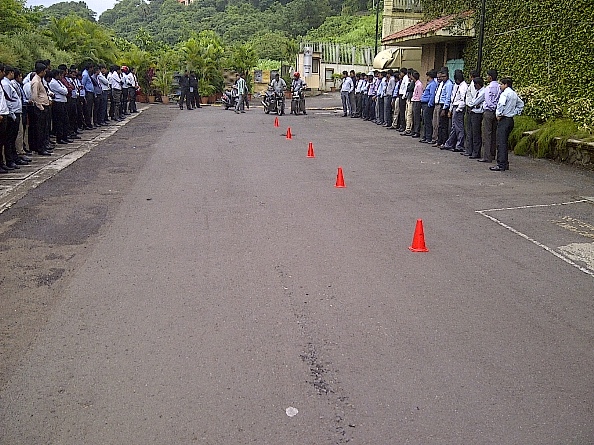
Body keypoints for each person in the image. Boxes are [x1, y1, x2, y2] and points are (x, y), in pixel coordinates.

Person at [491, 77, 524, 171]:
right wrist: (515, 112)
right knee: (504, 142)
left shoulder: (505, 94)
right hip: (510, 119)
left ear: (506, 85)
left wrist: (499, 114)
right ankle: (505, 163)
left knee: (501, 143)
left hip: (504, 119)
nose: (500, 86)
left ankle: (500, 164)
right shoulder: (514, 93)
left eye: (501, 84)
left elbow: (501, 104)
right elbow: (521, 104)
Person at [479, 69, 501, 163]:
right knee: (494, 134)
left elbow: (487, 100)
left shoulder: (488, 88)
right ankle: (492, 154)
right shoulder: (500, 87)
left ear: (490, 77)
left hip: (488, 111)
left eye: (487, 76)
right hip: (496, 112)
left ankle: (486, 156)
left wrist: (491, 107)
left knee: (486, 134)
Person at [466, 77, 485, 159]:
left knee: (476, 133)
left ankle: (476, 152)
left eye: (475, 84)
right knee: (471, 132)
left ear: (478, 84)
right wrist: (472, 104)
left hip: (478, 114)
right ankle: (471, 150)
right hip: (473, 112)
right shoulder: (477, 92)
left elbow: (475, 102)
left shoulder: (483, 92)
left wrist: (472, 104)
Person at [419, 70, 437, 143]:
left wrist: (430, 103)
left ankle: (428, 137)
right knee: (425, 121)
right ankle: (425, 136)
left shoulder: (433, 84)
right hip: (424, 103)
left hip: (427, 104)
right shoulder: (429, 83)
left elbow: (432, 94)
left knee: (428, 121)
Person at [410, 71, 423, 138]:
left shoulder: (419, 85)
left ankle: (417, 131)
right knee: (414, 116)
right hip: (414, 100)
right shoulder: (416, 84)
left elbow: (420, 95)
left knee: (417, 117)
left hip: (417, 101)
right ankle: (414, 130)